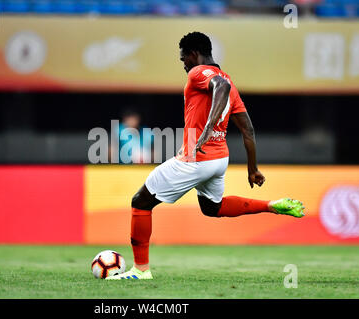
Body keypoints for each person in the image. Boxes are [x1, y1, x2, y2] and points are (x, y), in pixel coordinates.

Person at [107, 32, 305, 280]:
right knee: (213, 207)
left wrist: (207, 129)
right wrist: (252, 168)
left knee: (140, 202)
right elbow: (248, 129)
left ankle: (140, 270)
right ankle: (270, 206)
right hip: (219, 159)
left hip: (197, 157)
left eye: (183, 59)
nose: (184, 65)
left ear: (193, 54)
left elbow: (218, 87)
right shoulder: (229, 81)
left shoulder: (199, 72)